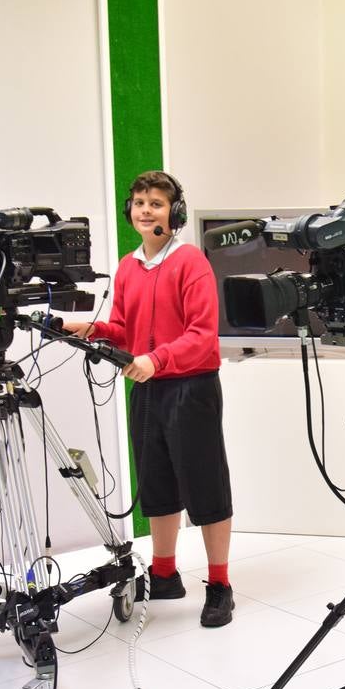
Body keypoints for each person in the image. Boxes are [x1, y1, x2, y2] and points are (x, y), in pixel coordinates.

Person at [63, 171, 234, 628]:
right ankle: (163, 574)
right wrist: (93, 329)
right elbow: (125, 328)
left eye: (156, 203)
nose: (145, 210)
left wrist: (157, 359)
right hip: (147, 388)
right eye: (139, 202)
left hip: (190, 388)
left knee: (206, 485)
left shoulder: (190, 261)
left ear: (173, 213)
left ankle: (220, 585)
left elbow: (202, 336)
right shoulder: (127, 266)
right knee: (156, 482)